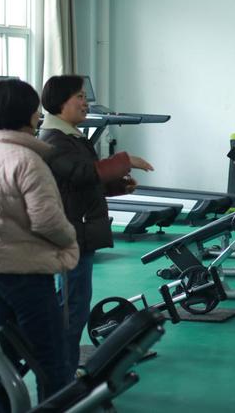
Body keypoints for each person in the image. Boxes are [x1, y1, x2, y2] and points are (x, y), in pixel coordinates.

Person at [39, 75, 154, 372]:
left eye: (84, 96)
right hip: (70, 232)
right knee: (72, 306)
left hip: (81, 229)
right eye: (78, 96)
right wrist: (125, 160)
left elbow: (83, 181)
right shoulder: (54, 140)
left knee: (74, 302)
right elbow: (81, 173)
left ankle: (61, 363)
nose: (85, 102)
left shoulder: (72, 137)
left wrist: (118, 185)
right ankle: (61, 370)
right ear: (60, 102)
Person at [0, 79, 79, 411]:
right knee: (52, 357)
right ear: (26, 113)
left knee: (1, 355)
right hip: (27, 273)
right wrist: (70, 240)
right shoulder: (27, 160)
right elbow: (47, 221)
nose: (39, 115)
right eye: (36, 109)